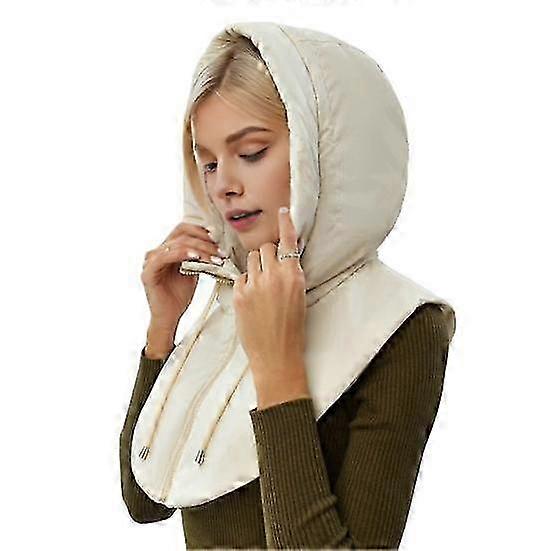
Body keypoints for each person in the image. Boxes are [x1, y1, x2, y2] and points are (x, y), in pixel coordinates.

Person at [120, 22, 456, 549]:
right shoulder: (235, 297)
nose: (224, 185)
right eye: (208, 163)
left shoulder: (404, 326)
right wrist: (163, 330)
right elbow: (145, 502)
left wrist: (277, 368)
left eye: (252, 152)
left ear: (324, 154)